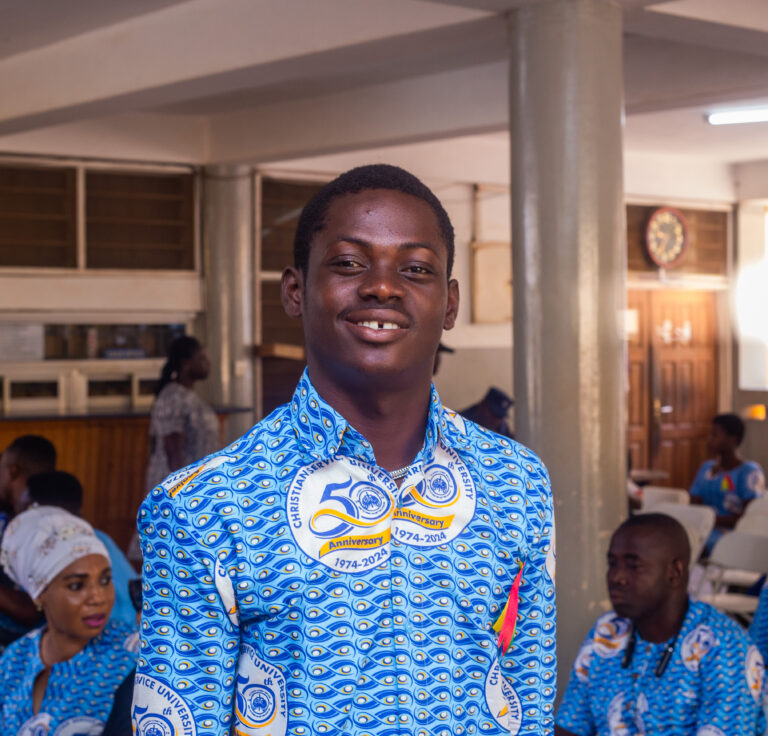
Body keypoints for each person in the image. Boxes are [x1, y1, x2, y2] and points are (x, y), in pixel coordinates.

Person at [134, 164, 556, 735]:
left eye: (416, 269)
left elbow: (527, 699)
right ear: (295, 290)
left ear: (450, 304)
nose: (383, 287)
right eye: (350, 263)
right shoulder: (203, 506)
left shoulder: (517, 481)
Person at [555, 513, 765, 736]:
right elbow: (570, 726)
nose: (616, 577)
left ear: (675, 573)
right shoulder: (607, 631)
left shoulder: (723, 648)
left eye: (633, 566)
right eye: (612, 564)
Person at [0, 506, 136, 734]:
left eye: (105, 580)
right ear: (39, 594)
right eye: (77, 585)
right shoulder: (15, 660)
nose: (98, 598)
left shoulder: (134, 655)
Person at [129, 335, 221, 563]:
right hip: (177, 484)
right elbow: (172, 449)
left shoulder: (188, 396)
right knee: (163, 543)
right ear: (186, 363)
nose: (207, 363)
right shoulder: (172, 396)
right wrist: (182, 491)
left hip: (195, 483)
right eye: (202, 358)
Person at [22, 471, 139, 625]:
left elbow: (29, 612)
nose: (97, 598)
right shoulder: (100, 537)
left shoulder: (54, 548)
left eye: (105, 581)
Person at [0, 435, 56, 647]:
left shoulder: (44, 527)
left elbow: (31, 610)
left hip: (26, 644)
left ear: (12, 470)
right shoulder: (9, 517)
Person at [689, 413, 766, 553]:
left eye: (715, 435)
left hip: (733, 533)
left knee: (696, 546)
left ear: (733, 439)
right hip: (703, 527)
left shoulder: (749, 472)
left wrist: (710, 520)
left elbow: (751, 516)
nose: (709, 439)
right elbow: (694, 502)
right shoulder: (706, 468)